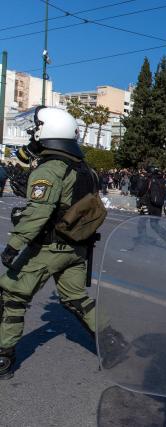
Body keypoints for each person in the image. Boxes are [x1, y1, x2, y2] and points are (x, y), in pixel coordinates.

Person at [0, 106, 123, 379]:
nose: (35, 133)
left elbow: (39, 212)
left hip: (48, 247)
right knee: (75, 298)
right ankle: (114, 342)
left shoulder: (51, 168)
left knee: (12, 295)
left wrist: (14, 245)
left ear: (49, 131)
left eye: (37, 128)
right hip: (76, 248)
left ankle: (3, 356)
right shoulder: (84, 169)